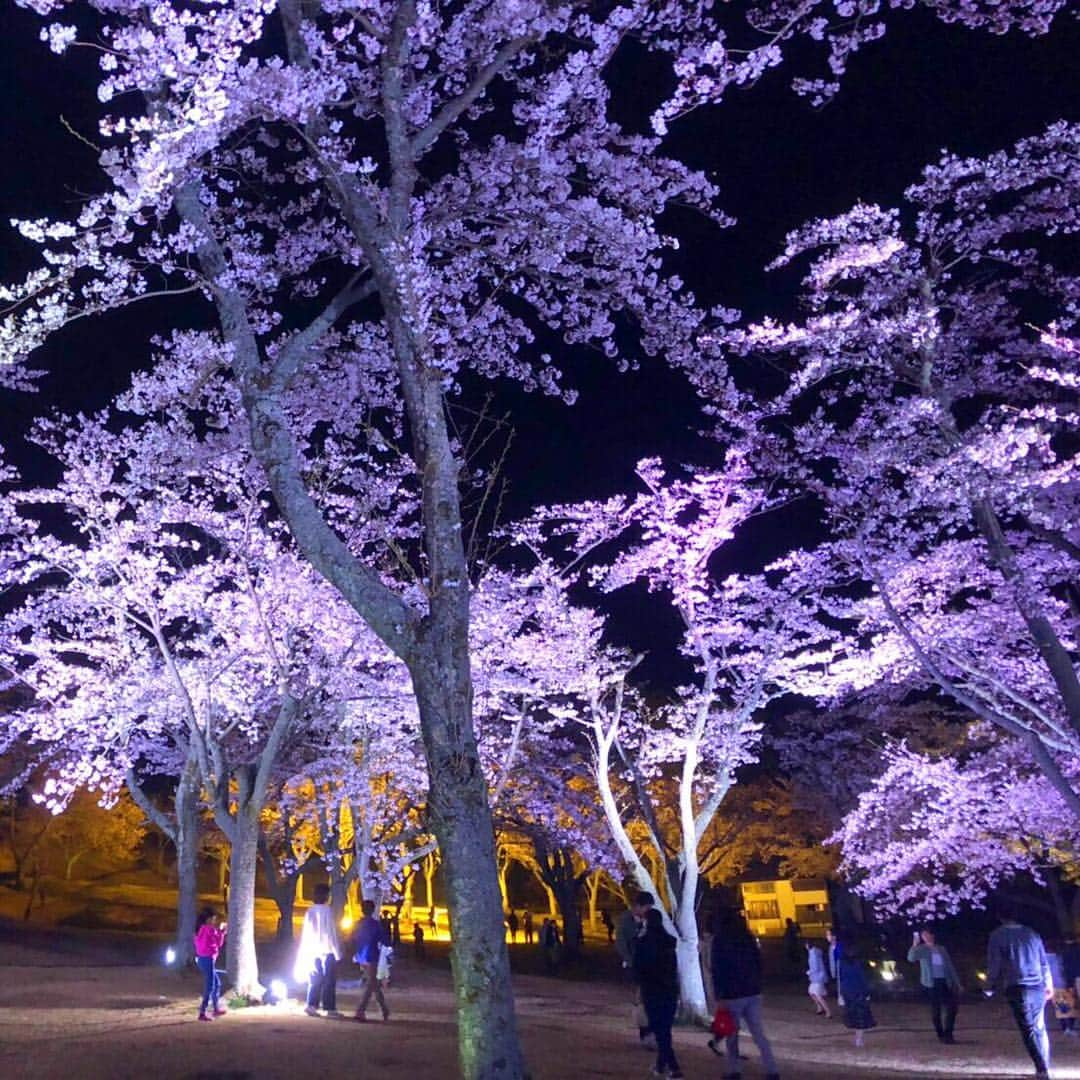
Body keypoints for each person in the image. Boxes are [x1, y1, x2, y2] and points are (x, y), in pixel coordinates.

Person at [709, 907, 781, 1080]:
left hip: (732, 993)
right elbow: (758, 962)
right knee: (758, 1033)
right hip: (752, 991)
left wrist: (719, 996)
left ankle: (734, 1070)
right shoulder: (747, 938)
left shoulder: (720, 940)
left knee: (732, 1036)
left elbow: (718, 970)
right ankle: (771, 1069)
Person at [987, 904, 1053, 1078]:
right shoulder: (1032, 933)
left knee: (1028, 1029)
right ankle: (1044, 1063)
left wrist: (989, 985)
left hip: (1017, 986)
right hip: (1037, 985)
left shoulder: (998, 936)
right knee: (1039, 1027)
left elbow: (995, 963)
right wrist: (1048, 984)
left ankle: (1041, 1068)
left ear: (1000, 917)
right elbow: (1043, 961)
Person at [633, 907, 683, 1080]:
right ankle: (661, 1066)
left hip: (653, 990)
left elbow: (638, 968)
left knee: (660, 1030)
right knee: (664, 1030)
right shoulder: (669, 942)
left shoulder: (643, 943)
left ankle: (674, 1069)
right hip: (670, 991)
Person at [294, 883, 342, 1018]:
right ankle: (329, 1007)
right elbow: (331, 933)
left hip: (313, 950)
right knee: (329, 980)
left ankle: (311, 1005)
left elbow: (306, 933)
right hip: (327, 950)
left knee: (315, 978)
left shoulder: (310, 911)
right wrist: (337, 952)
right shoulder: (327, 911)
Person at [616, 891, 656, 1050]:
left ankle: (650, 1031)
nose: (648, 910)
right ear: (638, 906)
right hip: (636, 965)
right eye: (646, 907)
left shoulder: (651, 920)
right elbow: (621, 943)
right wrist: (630, 961)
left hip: (651, 965)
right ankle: (645, 1033)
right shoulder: (625, 920)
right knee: (642, 999)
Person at [907, 927, 962, 1043]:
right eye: (923, 936)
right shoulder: (922, 949)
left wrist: (957, 982)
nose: (925, 937)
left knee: (952, 1007)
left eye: (927, 934)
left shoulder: (941, 949)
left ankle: (948, 1033)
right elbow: (911, 958)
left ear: (932, 935)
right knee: (936, 1009)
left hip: (944, 981)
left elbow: (949, 966)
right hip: (930, 983)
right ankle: (940, 1034)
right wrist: (914, 945)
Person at [352, 899, 391, 1022]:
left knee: (373, 983)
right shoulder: (375, 925)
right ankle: (361, 1010)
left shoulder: (358, 924)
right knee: (372, 984)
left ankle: (384, 1010)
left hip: (361, 957)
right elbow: (385, 940)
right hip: (372, 956)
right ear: (373, 910)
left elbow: (352, 939)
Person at [838, 941, 877, 1047]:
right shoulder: (858, 964)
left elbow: (842, 978)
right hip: (858, 992)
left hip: (848, 991)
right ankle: (859, 1038)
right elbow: (862, 979)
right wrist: (866, 992)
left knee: (854, 1015)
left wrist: (841, 992)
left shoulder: (843, 963)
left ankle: (858, 1038)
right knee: (860, 1016)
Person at [193, 907, 227, 1022]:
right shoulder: (209, 929)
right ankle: (202, 1012)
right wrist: (222, 931)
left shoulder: (199, 929)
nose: (214, 921)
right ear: (208, 919)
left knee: (217, 983)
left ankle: (215, 1008)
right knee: (210, 986)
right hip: (208, 960)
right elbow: (219, 943)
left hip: (201, 960)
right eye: (213, 919)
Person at [1048, 944, 1078, 1034]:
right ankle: (1067, 1028)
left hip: (1057, 985)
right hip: (1060, 985)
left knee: (1064, 1008)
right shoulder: (1056, 958)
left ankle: (1067, 1028)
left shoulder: (1053, 958)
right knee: (1067, 1008)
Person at [806, 940, 832, 1018]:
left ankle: (828, 1012)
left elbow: (815, 967)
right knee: (811, 992)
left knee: (817, 994)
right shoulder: (815, 952)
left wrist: (809, 972)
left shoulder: (812, 954)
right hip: (818, 977)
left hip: (817, 977)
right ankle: (820, 1008)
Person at [825, 926, 844, 1006]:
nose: (827, 937)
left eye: (828, 935)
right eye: (826, 935)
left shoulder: (840, 947)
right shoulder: (831, 947)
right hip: (837, 972)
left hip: (842, 972)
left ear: (834, 936)